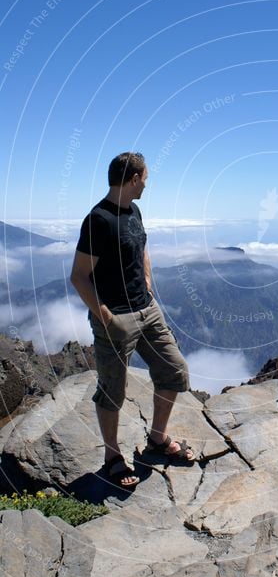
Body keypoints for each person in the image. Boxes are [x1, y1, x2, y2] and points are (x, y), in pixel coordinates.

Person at [70, 151, 194, 490]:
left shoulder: (133, 211)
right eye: (145, 178)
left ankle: (156, 439)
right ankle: (112, 457)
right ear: (135, 178)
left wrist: (149, 285)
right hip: (117, 319)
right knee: (112, 391)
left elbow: (141, 248)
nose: (147, 184)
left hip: (147, 311)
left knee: (174, 370)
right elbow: (79, 276)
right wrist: (106, 315)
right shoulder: (98, 220)